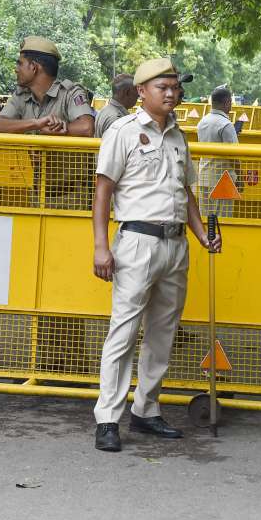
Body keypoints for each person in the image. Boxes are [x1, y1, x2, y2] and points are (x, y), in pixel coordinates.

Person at [91, 57, 221, 452]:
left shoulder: (180, 136)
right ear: (141, 92)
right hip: (136, 242)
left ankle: (146, 411)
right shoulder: (123, 132)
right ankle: (108, 419)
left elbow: (186, 193)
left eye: (175, 88)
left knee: (162, 334)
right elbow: (103, 192)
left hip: (175, 243)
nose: (171, 94)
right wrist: (100, 245)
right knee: (124, 331)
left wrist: (201, 235)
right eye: (163, 87)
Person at [0, 37, 95, 137]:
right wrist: (36, 124)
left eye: (20, 64)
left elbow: (87, 128)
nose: (16, 69)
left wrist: (57, 131)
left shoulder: (70, 93)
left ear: (34, 67)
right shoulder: (21, 95)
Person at [196, 86, 240, 218]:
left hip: (204, 176)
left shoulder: (202, 122)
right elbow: (234, 155)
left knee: (205, 219)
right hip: (223, 179)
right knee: (222, 220)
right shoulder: (226, 125)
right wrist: (240, 177)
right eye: (230, 103)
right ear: (226, 103)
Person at [95, 73, 138, 137]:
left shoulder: (105, 110)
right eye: (136, 93)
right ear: (127, 92)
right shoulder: (117, 119)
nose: (138, 96)